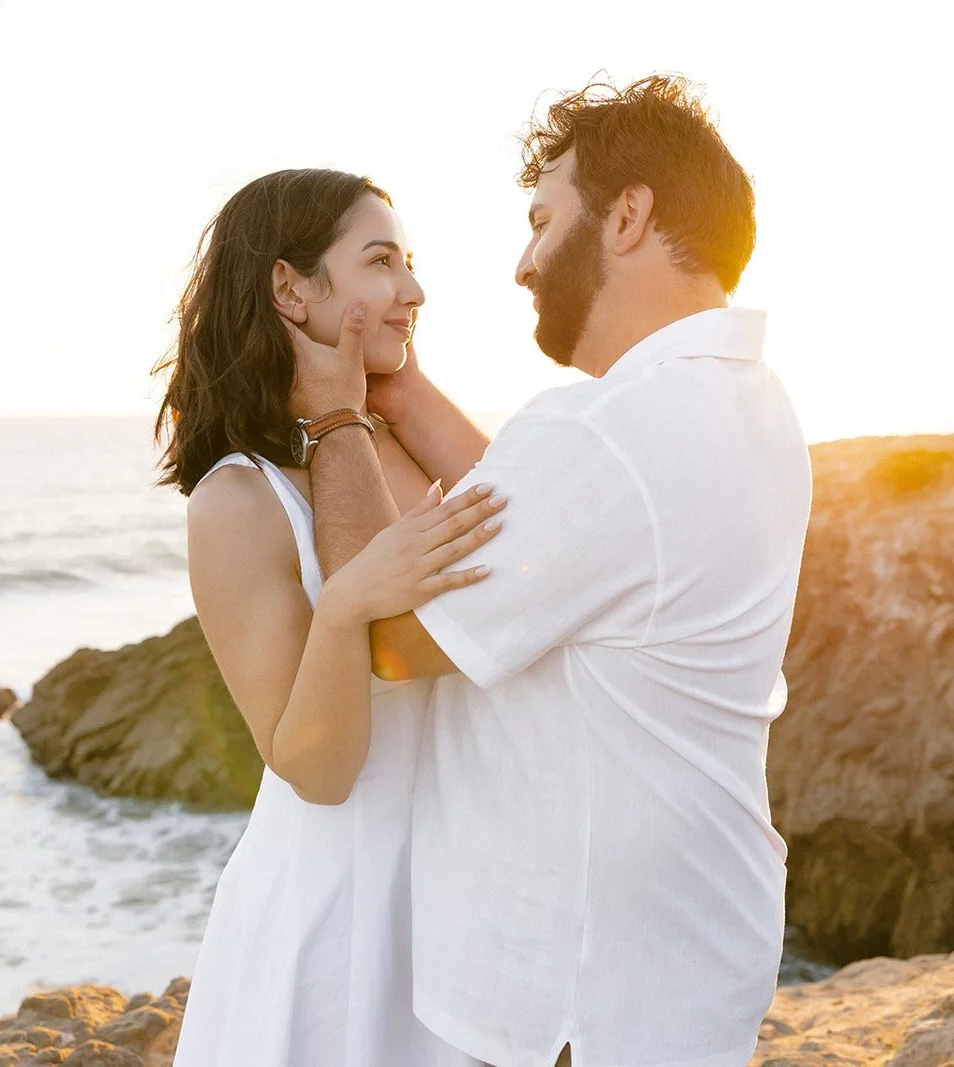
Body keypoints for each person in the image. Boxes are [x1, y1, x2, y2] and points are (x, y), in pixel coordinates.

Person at [295, 75, 813, 1067]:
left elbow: (384, 631)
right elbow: (552, 530)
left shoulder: (604, 432)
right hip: (693, 955)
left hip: (580, 997)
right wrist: (402, 398)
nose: (524, 264)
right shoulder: (747, 398)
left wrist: (334, 412)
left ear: (627, 216)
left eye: (541, 222)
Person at [154, 169, 493, 1067]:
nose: (414, 289)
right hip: (340, 922)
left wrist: (396, 395)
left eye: (408, 262)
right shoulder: (238, 501)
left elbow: (541, 549)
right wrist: (342, 614)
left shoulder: (403, 438)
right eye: (381, 261)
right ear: (290, 287)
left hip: (461, 898)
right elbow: (319, 767)